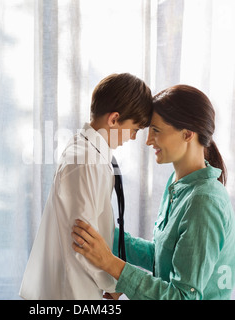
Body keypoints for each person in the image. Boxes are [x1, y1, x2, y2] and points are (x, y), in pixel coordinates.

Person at [72, 84, 235, 300]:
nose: (148, 140)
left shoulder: (204, 201)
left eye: (156, 131)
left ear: (187, 134)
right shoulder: (179, 183)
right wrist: (105, 236)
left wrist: (112, 265)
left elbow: (181, 297)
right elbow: (162, 258)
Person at [19, 73, 153, 300]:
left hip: (78, 286)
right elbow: (82, 240)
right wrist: (114, 283)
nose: (132, 137)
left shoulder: (90, 153)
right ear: (114, 119)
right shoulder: (86, 161)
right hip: (72, 290)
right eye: (134, 129)